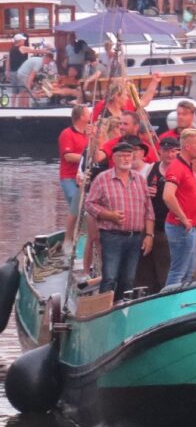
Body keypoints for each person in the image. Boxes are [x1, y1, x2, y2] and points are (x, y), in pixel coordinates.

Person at [85, 142, 155, 302]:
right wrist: (108, 215)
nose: (125, 159)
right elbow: (89, 204)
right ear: (114, 158)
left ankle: (122, 310)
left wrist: (149, 235)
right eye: (121, 156)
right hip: (112, 236)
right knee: (110, 276)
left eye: (128, 155)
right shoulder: (102, 179)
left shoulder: (140, 180)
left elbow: (148, 210)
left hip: (135, 237)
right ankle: (103, 310)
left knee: (129, 279)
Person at [135, 136, 180, 293]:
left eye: (174, 151)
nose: (170, 155)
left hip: (172, 226)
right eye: (166, 151)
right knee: (145, 267)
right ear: (160, 152)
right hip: (150, 224)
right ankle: (144, 297)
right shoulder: (150, 169)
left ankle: (165, 295)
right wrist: (144, 191)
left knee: (166, 267)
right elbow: (136, 191)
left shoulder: (183, 170)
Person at [163, 128, 196, 287]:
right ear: (188, 147)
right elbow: (167, 195)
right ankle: (167, 303)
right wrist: (182, 217)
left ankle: (180, 301)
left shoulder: (186, 166)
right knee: (179, 270)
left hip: (187, 226)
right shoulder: (177, 167)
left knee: (188, 271)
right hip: (181, 226)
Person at [57, 105, 91, 254]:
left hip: (85, 175)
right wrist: (87, 158)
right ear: (81, 117)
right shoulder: (67, 134)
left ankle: (83, 235)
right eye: (88, 113)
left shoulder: (89, 134)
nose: (91, 115)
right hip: (69, 177)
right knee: (74, 200)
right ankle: (68, 238)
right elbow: (68, 156)